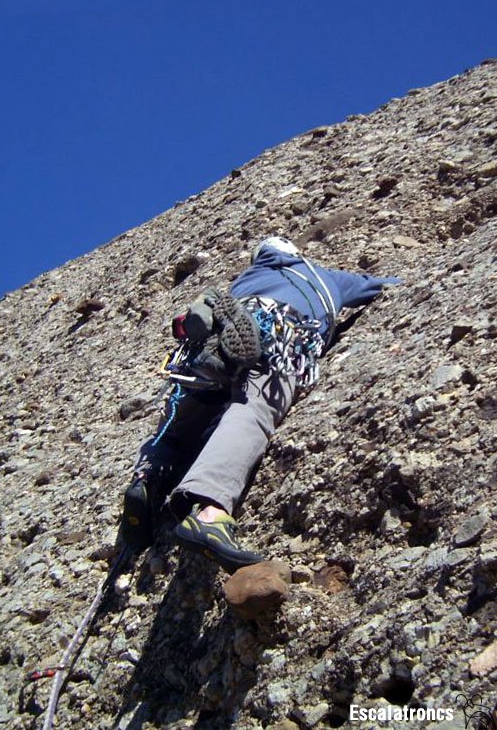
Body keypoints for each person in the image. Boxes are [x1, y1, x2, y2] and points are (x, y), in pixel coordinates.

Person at [121, 236, 400, 573]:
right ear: (294, 252)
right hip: (279, 332)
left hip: (217, 341)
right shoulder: (322, 276)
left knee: (183, 418)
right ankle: (210, 511)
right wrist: (393, 281)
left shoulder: (249, 276)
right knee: (252, 408)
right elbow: (370, 287)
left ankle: (148, 478)